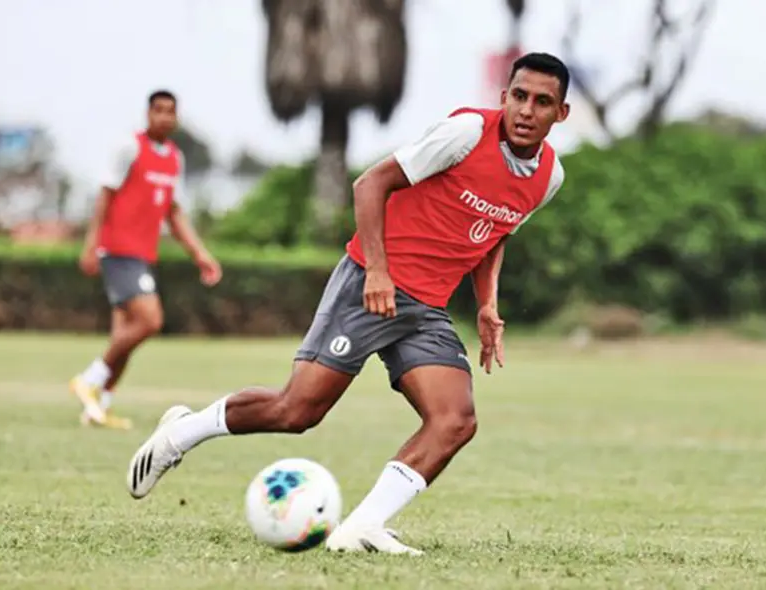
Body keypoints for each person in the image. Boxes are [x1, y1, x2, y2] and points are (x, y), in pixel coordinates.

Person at [125, 52, 570, 554]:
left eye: (542, 102)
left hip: (425, 310)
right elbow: (370, 184)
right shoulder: (466, 134)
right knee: (296, 411)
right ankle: (184, 432)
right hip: (369, 283)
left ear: (561, 113)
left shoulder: (547, 177)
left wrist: (487, 305)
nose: (527, 110)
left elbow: (494, 235)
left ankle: (361, 528)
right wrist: (377, 271)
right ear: (504, 96)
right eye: (519, 96)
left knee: (456, 420)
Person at [69, 90, 222, 430]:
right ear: (148, 114)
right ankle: (89, 379)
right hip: (118, 249)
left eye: (171, 111)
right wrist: (91, 243)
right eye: (159, 111)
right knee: (150, 321)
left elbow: (174, 213)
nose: (165, 117)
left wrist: (200, 254)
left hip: (142, 254)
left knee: (124, 333)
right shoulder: (129, 149)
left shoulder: (174, 158)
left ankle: (98, 407)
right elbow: (105, 196)